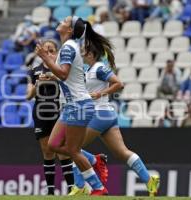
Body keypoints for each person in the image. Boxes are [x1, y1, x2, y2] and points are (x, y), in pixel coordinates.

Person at [68, 41, 160, 196]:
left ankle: (80, 184)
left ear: (91, 54)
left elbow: (119, 84)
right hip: (107, 115)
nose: (82, 53)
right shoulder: (89, 69)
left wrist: (100, 93)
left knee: (73, 148)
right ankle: (149, 180)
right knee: (122, 152)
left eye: (84, 51)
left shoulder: (99, 68)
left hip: (99, 114)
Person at [35, 16, 107, 195]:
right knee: (53, 145)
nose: (62, 20)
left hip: (78, 105)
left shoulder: (68, 47)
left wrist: (46, 58)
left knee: (73, 151)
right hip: (72, 106)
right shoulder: (69, 47)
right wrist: (52, 75)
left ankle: (98, 187)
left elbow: (64, 74)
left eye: (66, 20)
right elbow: (69, 75)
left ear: (69, 29)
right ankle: (93, 160)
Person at [26, 40, 74, 195]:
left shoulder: (62, 70)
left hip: (59, 113)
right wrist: (36, 86)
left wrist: (55, 78)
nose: (48, 53)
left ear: (57, 52)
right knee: (47, 151)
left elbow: (72, 86)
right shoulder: (34, 71)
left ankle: (72, 189)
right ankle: (51, 192)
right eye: (45, 50)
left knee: (63, 151)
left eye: (52, 50)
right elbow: (28, 96)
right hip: (41, 114)